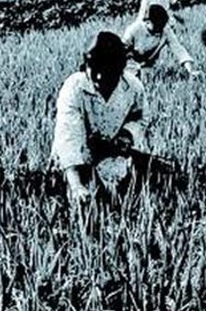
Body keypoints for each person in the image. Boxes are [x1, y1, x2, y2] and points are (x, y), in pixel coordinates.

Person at [51, 31, 147, 201]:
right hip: (75, 158)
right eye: (94, 69)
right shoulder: (74, 87)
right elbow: (68, 135)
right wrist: (76, 185)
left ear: (120, 69)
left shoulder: (133, 88)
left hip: (112, 152)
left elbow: (139, 118)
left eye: (107, 71)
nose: (99, 77)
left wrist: (126, 135)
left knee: (122, 192)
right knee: (81, 195)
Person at [122, 4, 198, 77]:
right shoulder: (134, 30)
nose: (159, 29)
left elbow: (178, 49)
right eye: (157, 26)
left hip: (149, 64)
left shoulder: (165, 30)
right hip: (130, 64)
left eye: (162, 26)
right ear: (147, 22)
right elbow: (122, 51)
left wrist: (190, 70)